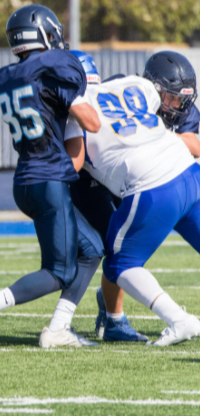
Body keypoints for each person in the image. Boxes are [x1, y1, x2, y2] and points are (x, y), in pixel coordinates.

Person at [0, 5, 104, 349]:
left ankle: (58, 329)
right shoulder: (52, 71)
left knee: (91, 248)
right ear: (44, 35)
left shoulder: (6, 78)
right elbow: (92, 122)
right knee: (58, 272)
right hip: (49, 178)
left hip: (25, 179)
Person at [66, 71, 200, 346]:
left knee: (118, 264)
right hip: (190, 172)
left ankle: (178, 319)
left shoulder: (72, 113)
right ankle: (115, 322)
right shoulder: (136, 85)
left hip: (152, 184)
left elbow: (74, 161)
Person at [64, 50, 147, 342]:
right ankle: (105, 318)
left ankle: (110, 313)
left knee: (123, 248)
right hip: (79, 185)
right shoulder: (64, 110)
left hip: (114, 183)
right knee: (97, 251)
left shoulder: (109, 100)